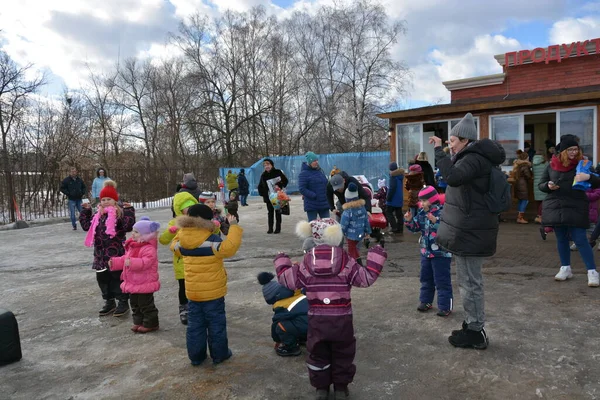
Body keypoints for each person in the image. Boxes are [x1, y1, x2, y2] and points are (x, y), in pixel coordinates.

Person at [274, 218, 387, 400]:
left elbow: (287, 280)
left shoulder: (306, 263)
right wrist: (377, 255)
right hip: (342, 320)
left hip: (317, 320)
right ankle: (341, 388)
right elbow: (366, 278)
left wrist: (281, 261)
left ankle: (321, 389)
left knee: (318, 353)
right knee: (343, 352)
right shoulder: (346, 261)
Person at [430, 112, 505, 350]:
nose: (450, 146)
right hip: (471, 229)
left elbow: (452, 178)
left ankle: (475, 332)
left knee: (470, 282)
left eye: (452, 141)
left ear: (464, 140)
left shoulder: (472, 159)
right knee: (469, 280)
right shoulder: (473, 157)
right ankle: (472, 324)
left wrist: (439, 152)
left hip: (470, 231)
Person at [171, 203, 242, 365]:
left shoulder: (181, 241)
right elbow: (230, 248)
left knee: (195, 326)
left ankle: (196, 357)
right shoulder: (212, 241)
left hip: (193, 293)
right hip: (213, 293)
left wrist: (182, 229)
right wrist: (234, 227)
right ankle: (220, 354)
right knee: (216, 324)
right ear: (208, 221)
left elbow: (173, 246)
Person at [539, 134, 600, 287]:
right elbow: (541, 184)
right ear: (563, 151)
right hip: (556, 205)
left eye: (576, 149)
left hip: (576, 204)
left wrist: (588, 177)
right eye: (570, 149)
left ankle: (592, 272)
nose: (574, 152)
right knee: (561, 238)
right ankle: (565, 268)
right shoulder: (551, 165)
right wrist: (548, 186)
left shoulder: (583, 163)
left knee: (580, 239)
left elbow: (597, 181)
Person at [80, 180, 136, 317]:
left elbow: (128, 226)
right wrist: (86, 212)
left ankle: (123, 301)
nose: (105, 202)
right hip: (100, 255)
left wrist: (129, 211)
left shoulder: (119, 214)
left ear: (115, 200)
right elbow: (86, 226)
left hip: (115, 254)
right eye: (103, 199)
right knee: (103, 279)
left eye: (108, 199)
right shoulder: (97, 215)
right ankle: (109, 301)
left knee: (117, 278)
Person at [404, 186, 453, 316]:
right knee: (426, 278)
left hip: (441, 253)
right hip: (426, 253)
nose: (422, 203)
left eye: (424, 200)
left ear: (432, 200)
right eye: (421, 200)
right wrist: (409, 221)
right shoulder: (421, 213)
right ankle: (426, 301)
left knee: (442, 280)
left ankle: (445, 306)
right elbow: (416, 228)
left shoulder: (443, 212)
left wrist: (435, 221)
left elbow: (448, 229)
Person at [109, 216, 161, 333]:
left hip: (145, 282)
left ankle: (151, 323)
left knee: (146, 305)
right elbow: (125, 259)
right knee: (135, 304)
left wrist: (132, 262)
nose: (133, 234)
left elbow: (146, 262)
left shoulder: (149, 248)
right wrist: (115, 262)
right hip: (133, 282)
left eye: (136, 232)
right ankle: (138, 322)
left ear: (145, 235)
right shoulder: (133, 246)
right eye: (133, 231)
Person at [159, 191, 198, 325]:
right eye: (187, 207)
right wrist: (170, 231)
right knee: (183, 286)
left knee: (197, 285)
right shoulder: (174, 222)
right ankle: (184, 307)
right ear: (179, 209)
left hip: (198, 261)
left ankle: (197, 307)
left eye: (192, 206)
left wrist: (215, 227)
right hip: (181, 262)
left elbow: (213, 233)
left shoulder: (200, 221)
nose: (190, 210)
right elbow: (163, 240)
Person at [257, 271, 308, 357]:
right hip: (318, 326)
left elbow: (276, 324)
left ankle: (291, 348)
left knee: (282, 326)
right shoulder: (300, 295)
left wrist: (277, 339)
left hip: (308, 327)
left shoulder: (282, 306)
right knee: (297, 320)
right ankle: (303, 338)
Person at [340, 183, 371, 266]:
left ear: (347, 198)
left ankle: (355, 265)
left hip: (350, 235)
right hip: (360, 234)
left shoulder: (347, 212)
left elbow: (344, 225)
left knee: (352, 250)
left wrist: (340, 233)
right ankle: (356, 264)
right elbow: (366, 221)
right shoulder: (362, 208)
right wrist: (367, 232)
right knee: (356, 249)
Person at [257, 159, 288, 234]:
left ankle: (278, 228)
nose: (266, 166)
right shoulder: (263, 175)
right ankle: (270, 228)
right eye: (265, 165)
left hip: (278, 196)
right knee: (270, 212)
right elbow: (260, 186)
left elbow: (285, 181)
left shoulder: (278, 172)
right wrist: (264, 193)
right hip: (269, 198)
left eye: (268, 164)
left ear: (272, 165)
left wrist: (280, 186)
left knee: (278, 212)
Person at [299, 151, 330, 221]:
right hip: (312, 204)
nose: (316, 162)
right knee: (313, 226)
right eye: (314, 161)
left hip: (324, 203)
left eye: (317, 160)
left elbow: (325, 183)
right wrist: (314, 195)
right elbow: (302, 188)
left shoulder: (320, 171)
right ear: (309, 162)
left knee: (327, 225)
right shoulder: (304, 174)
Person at [512, 150, 533, 224]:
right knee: (524, 201)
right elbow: (528, 176)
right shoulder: (525, 166)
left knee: (521, 200)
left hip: (518, 184)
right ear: (526, 158)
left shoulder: (518, 165)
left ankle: (519, 217)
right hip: (523, 185)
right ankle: (520, 218)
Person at [386, 162, 405, 234]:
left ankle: (394, 227)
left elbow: (392, 188)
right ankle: (400, 228)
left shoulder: (393, 177)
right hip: (399, 197)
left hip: (393, 198)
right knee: (399, 214)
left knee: (388, 212)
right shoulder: (400, 175)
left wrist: (388, 198)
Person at [532, 151, 549, 224]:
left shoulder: (533, 163)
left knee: (539, 201)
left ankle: (539, 216)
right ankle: (539, 216)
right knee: (544, 200)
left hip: (536, 183)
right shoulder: (546, 163)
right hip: (543, 183)